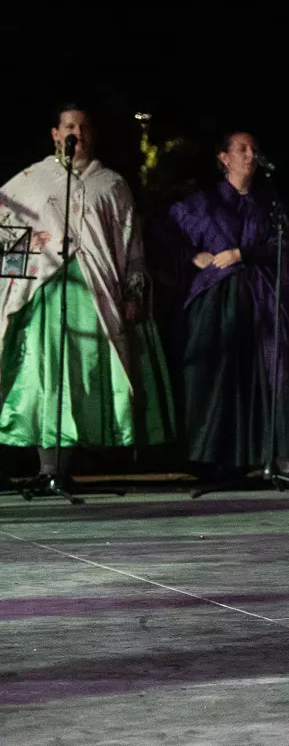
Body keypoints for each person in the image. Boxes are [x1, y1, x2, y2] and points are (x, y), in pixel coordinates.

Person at [0, 104, 176, 488]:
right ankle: (47, 467)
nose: (74, 132)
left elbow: (131, 243)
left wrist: (131, 290)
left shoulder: (111, 183)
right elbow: (4, 222)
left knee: (85, 375)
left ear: (91, 135)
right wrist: (32, 248)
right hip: (47, 290)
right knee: (47, 374)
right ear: (54, 133)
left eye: (82, 127)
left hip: (96, 292)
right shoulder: (33, 179)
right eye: (68, 126)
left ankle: (65, 467)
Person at [165, 132, 289, 475]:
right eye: (242, 149)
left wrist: (242, 253)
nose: (250, 154)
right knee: (216, 375)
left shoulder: (267, 200)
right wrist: (192, 255)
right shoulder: (205, 202)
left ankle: (271, 454)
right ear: (224, 157)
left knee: (269, 370)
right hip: (218, 298)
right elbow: (168, 235)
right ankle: (214, 458)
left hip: (261, 296)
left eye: (254, 148)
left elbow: (283, 244)